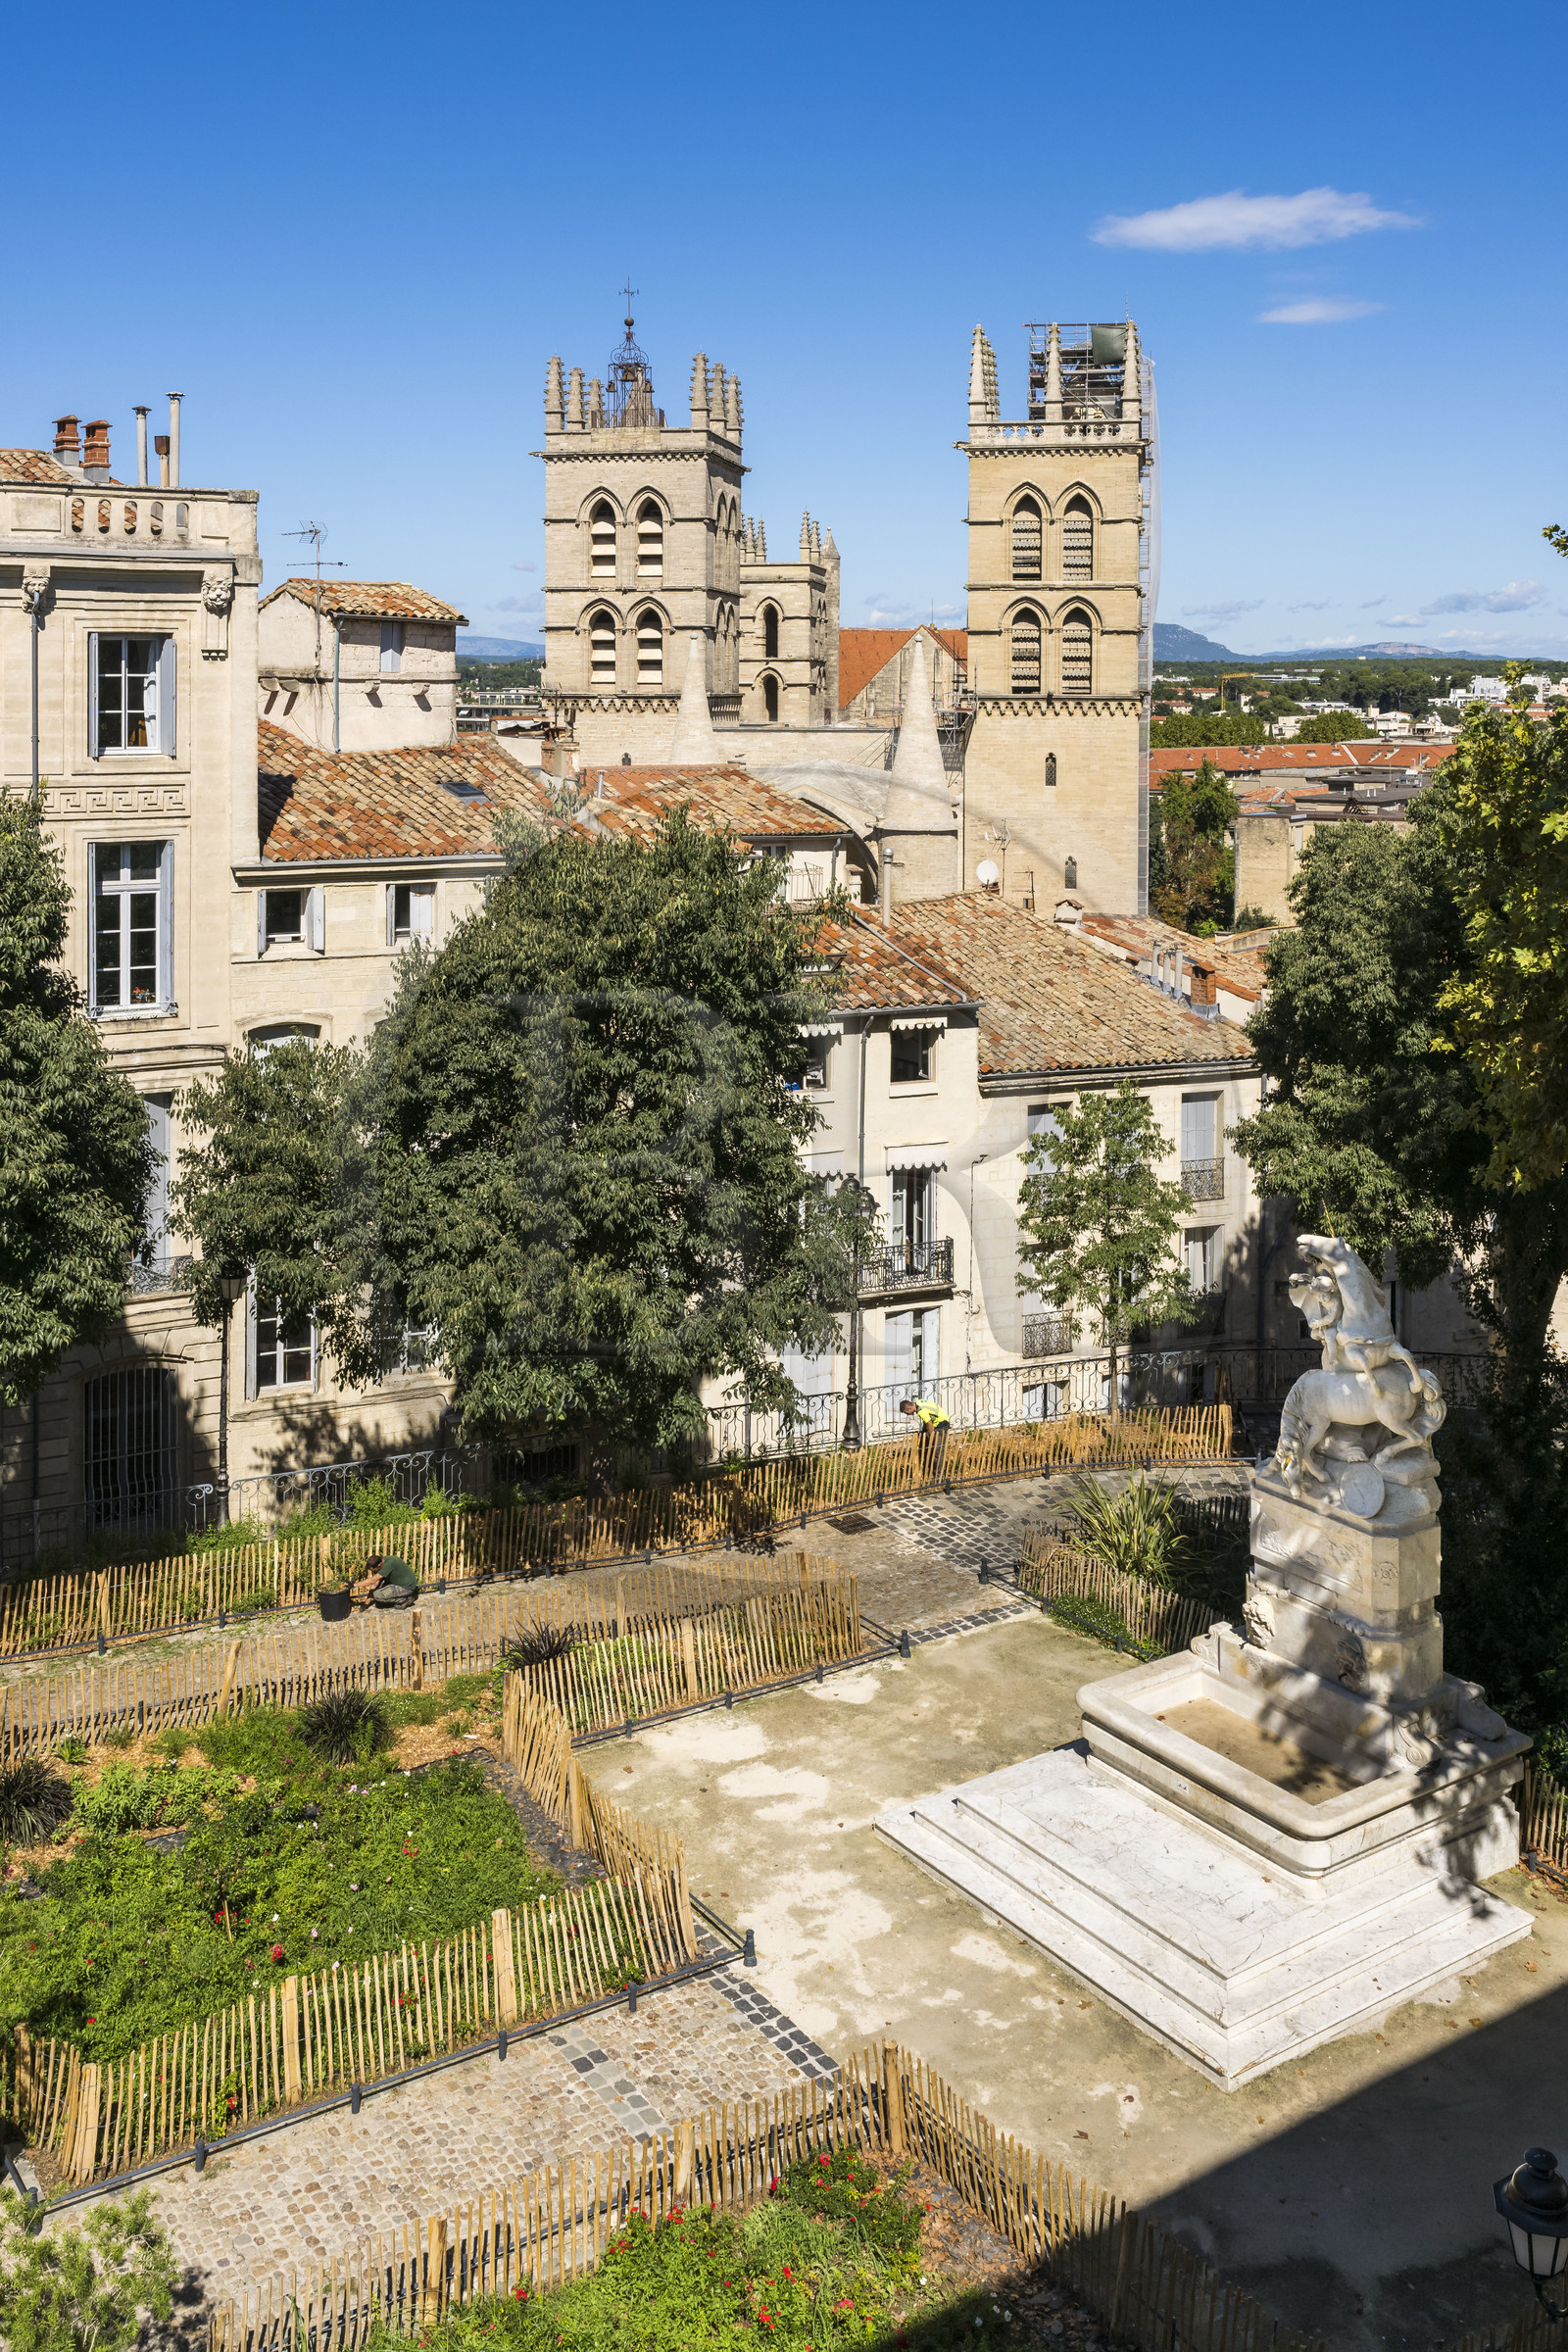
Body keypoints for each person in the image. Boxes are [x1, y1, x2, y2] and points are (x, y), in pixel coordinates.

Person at [900, 1394, 951, 1482]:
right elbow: (927, 1420)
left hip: (941, 1425)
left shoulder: (921, 1411)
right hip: (941, 1420)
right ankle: (927, 1465)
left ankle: (939, 1477)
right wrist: (923, 1431)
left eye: (906, 1413)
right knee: (929, 1445)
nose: (907, 1414)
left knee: (937, 1452)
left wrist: (932, 1439)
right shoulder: (919, 1402)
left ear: (910, 1409)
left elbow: (930, 1426)